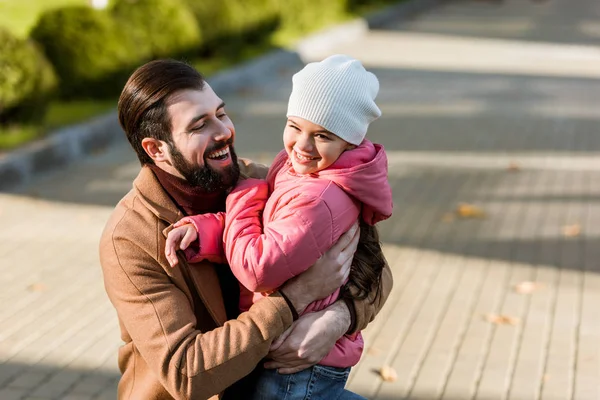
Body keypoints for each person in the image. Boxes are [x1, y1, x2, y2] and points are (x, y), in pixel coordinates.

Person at [98, 58, 393, 400]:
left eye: (221, 114)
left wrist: (339, 317)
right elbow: (186, 373)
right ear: (156, 149)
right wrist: (294, 299)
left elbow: (377, 269)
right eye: (200, 126)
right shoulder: (130, 238)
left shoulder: (263, 181)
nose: (223, 132)